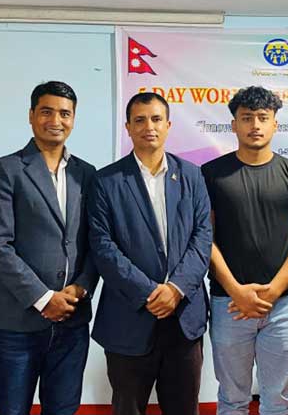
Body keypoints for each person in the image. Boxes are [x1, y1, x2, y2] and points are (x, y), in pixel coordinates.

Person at [87, 92, 211, 415]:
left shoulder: (192, 175)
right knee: (127, 408)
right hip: (129, 318)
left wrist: (176, 289)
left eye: (156, 119)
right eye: (139, 120)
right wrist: (149, 292)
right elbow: (103, 246)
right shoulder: (105, 181)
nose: (149, 127)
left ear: (168, 125)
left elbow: (202, 238)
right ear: (128, 127)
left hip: (184, 318)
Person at [202, 86, 288, 415]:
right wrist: (236, 291)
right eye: (247, 118)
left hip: (283, 306)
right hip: (229, 304)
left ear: (274, 124)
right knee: (232, 400)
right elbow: (204, 238)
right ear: (234, 125)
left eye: (262, 118)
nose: (255, 125)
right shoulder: (211, 174)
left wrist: (273, 291)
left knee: (279, 401)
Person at [0, 81, 98, 415]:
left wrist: (81, 287)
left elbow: (95, 242)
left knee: (63, 409)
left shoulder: (86, 173)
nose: (56, 120)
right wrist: (44, 298)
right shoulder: (6, 168)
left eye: (65, 113)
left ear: (73, 118)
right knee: (12, 409)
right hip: (18, 322)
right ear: (31, 115)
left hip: (72, 320)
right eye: (47, 112)